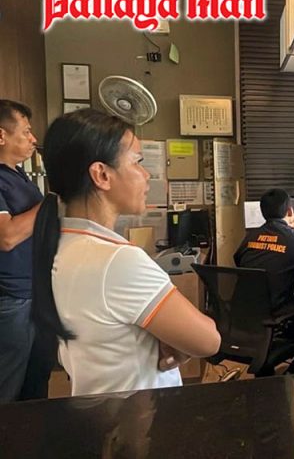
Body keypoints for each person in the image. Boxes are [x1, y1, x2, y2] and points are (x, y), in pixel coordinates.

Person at [32, 109, 221, 397]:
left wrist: (167, 336)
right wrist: (178, 341)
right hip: (140, 415)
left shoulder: (62, 245)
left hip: (99, 408)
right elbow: (208, 341)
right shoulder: (117, 260)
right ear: (102, 175)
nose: (146, 175)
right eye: (137, 162)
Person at [234, 188, 294, 372]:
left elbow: (238, 260)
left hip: (244, 319)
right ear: (289, 211)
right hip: (278, 321)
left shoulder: (250, 237)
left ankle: (268, 376)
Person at [0, 100, 44, 403]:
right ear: (2, 135)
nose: (33, 139)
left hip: (35, 295)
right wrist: (50, 203)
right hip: (12, 299)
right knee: (8, 386)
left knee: (35, 383)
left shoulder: (19, 177)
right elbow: (7, 237)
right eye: (26, 131)